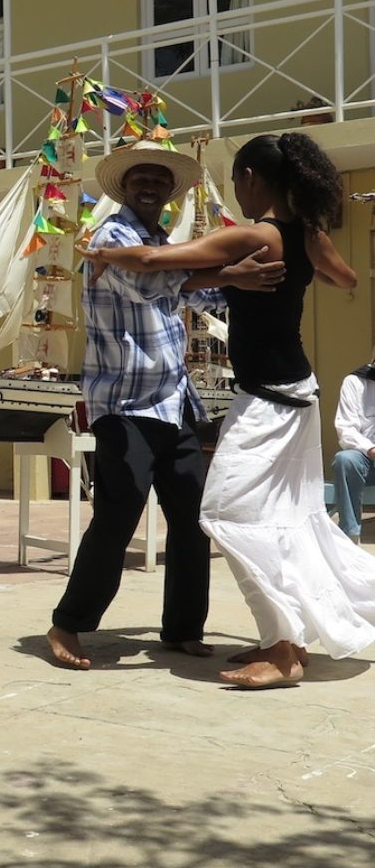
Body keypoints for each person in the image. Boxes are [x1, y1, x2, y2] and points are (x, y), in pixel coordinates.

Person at [89, 132, 375, 689]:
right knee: (285, 516)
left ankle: (281, 651)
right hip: (299, 393)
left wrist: (100, 253)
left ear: (250, 178)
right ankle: (289, 636)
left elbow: (151, 259)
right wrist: (300, 262)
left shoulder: (252, 235)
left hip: (268, 400)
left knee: (227, 512)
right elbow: (346, 278)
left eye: (238, 180)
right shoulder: (303, 234)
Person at [46, 140, 286, 672]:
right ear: (124, 188)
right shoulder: (111, 237)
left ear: (170, 192)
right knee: (120, 511)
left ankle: (182, 628)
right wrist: (228, 273)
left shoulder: (164, 243)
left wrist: (254, 273)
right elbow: (150, 282)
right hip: (123, 402)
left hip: (174, 402)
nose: (150, 186)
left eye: (159, 179)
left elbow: (199, 294)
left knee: (193, 516)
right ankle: (68, 622)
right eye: (141, 178)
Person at [332, 355, 375, 544]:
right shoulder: (355, 382)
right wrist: (371, 449)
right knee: (345, 460)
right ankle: (350, 535)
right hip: (367, 459)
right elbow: (346, 428)